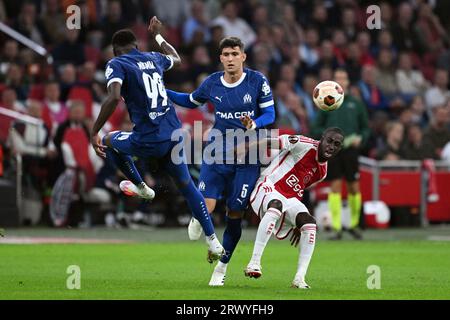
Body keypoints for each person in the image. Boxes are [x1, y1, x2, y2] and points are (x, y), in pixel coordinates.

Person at [90, 17, 224, 262]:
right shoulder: (153, 57)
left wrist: (94, 130)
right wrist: (159, 36)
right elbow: (177, 58)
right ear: (137, 46)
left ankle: (142, 188)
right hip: (174, 135)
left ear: (115, 50)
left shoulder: (116, 63)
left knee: (107, 140)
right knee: (187, 187)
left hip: (148, 138)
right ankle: (213, 241)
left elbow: (113, 97)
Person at [166, 36, 275, 286]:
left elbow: (270, 113)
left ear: (243, 57)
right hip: (217, 149)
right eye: (226, 55)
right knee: (207, 204)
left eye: (234, 54)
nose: (230, 59)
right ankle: (199, 217)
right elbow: (190, 101)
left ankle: (221, 269)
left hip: (248, 155)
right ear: (220, 58)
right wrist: (164, 92)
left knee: (234, 212)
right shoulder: (213, 83)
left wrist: (254, 123)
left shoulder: (258, 81)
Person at [244, 128, 344, 288]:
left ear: (339, 149)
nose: (331, 146)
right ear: (322, 138)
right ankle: (254, 263)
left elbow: (299, 189)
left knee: (310, 224)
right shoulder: (303, 144)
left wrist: (297, 223)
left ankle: (299, 279)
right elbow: (273, 142)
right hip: (269, 185)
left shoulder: (322, 172)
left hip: (289, 198)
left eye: (336, 145)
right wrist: (249, 145)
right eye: (329, 141)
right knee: (276, 206)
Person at [312, 69, 370, 240]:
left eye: (343, 78)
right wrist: (328, 137)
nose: (340, 81)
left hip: (351, 150)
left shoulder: (356, 103)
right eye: (337, 79)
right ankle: (337, 227)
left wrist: (361, 138)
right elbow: (315, 128)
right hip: (333, 151)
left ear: (347, 83)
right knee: (335, 187)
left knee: (354, 187)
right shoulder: (326, 103)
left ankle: (353, 225)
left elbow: (365, 127)